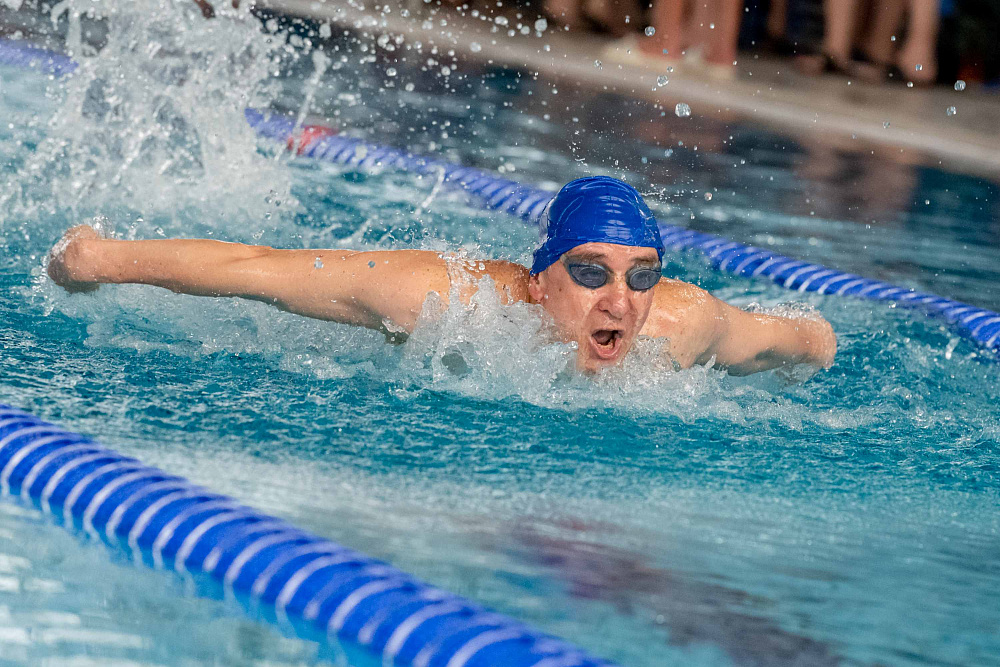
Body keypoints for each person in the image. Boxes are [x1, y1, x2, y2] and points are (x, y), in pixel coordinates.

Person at [47, 177, 836, 376]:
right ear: (538, 281)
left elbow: (803, 339)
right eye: (591, 272)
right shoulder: (451, 302)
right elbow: (260, 271)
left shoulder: (679, 324)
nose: (620, 302)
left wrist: (819, 344)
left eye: (642, 277)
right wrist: (100, 260)